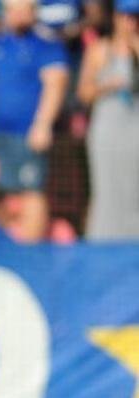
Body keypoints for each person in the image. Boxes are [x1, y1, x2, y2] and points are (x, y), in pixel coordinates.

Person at [0, 0, 68, 242]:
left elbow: (56, 85)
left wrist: (43, 125)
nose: (17, 15)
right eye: (13, 10)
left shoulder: (47, 45)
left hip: (26, 135)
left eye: (23, 9)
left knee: (32, 192)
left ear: (34, 12)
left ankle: (30, 253)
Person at [78, 0, 139, 240]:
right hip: (109, 131)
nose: (131, 24)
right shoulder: (100, 50)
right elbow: (84, 93)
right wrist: (108, 85)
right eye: (127, 17)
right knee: (107, 189)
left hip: (135, 131)